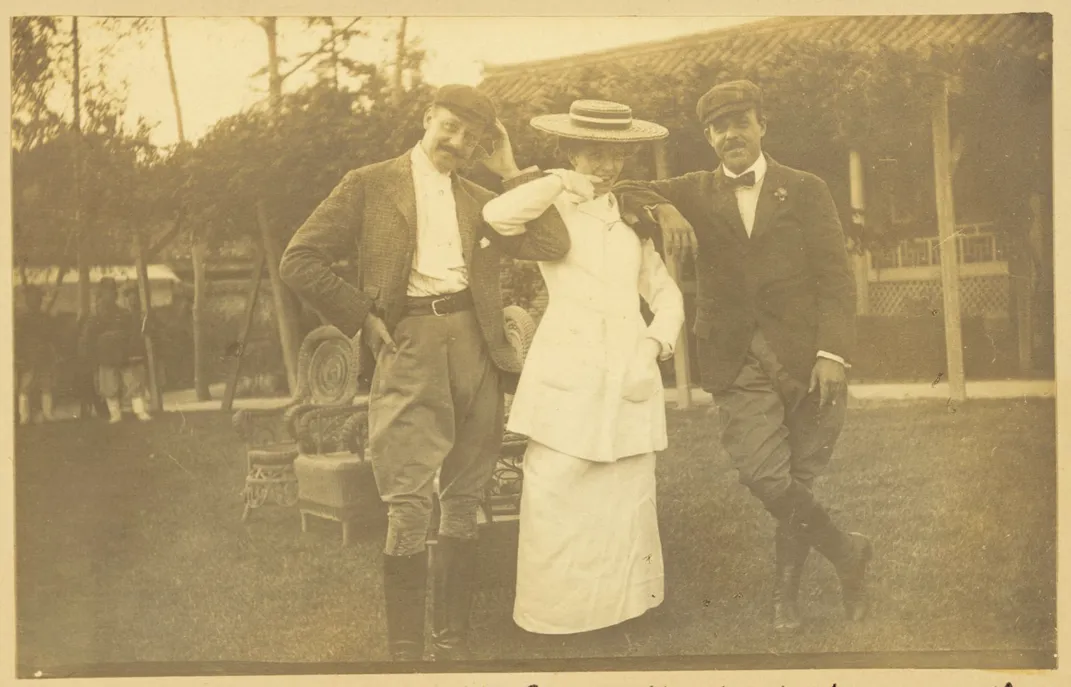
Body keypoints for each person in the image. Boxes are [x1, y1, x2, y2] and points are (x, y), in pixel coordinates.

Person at [279, 84, 570, 662]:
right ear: (428, 118)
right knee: (409, 500)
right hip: (407, 342)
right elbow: (299, 259)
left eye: (472, 137)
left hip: (476, 345)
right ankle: (407, 653)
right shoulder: (369, 183)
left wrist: (511, 170)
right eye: (451, 127)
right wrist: (360, 317)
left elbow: (552, 240)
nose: (458, 143)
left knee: (465, 497)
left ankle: (452, 643)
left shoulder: (482, 200)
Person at [614, 80, 871, 634]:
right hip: (735, 360)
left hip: (804, 357)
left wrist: (832, 353)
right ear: (708, 137)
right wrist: (664, 209)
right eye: (718, 126)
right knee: (765, 475)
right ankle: (848, 552)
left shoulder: (804, 189)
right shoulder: (693, 189)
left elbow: (835, 276)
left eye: (741, 121)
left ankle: (786, 600)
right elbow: (623, 188)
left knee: (798, 476)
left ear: (762, 125)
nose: (731, 133)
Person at [481, 99, 685, 637]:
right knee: (558, 486)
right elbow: (496, 216)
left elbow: (666, 297)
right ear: (570, 152)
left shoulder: (632, 221)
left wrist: (653, 345)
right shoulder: (552, 210)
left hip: (626, 365)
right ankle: (558, 614)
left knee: (625, 487)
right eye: (593, 154)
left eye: (616, 155)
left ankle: (627, 608)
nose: (606, 167)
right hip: (568, 364)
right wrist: (556, 182)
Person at [79, 278, 153, 423]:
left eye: (113, 291)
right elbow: (88, 337)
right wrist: (91, 355)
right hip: (105, 354)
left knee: (132, 382)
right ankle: (115, 414)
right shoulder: (94, 315)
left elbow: (131, 331)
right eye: (107, 291)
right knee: (109, 385)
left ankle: (140, 411)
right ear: (101, 294)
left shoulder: (123, 313)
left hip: (122, 352)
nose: (111, 295)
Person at [15, 285, 58, 425]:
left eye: (38, 298)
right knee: (26, 385)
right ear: (27, 300)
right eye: (32, 298)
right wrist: (19, 356)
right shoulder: (21, 318)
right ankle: (24, 417)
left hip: (44, 355)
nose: (36, 300)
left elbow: (52, 336)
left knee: (47, 384)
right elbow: (18, 338)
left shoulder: (45, 317)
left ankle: (48, 414)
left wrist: (52, 352)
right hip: (29, 356)